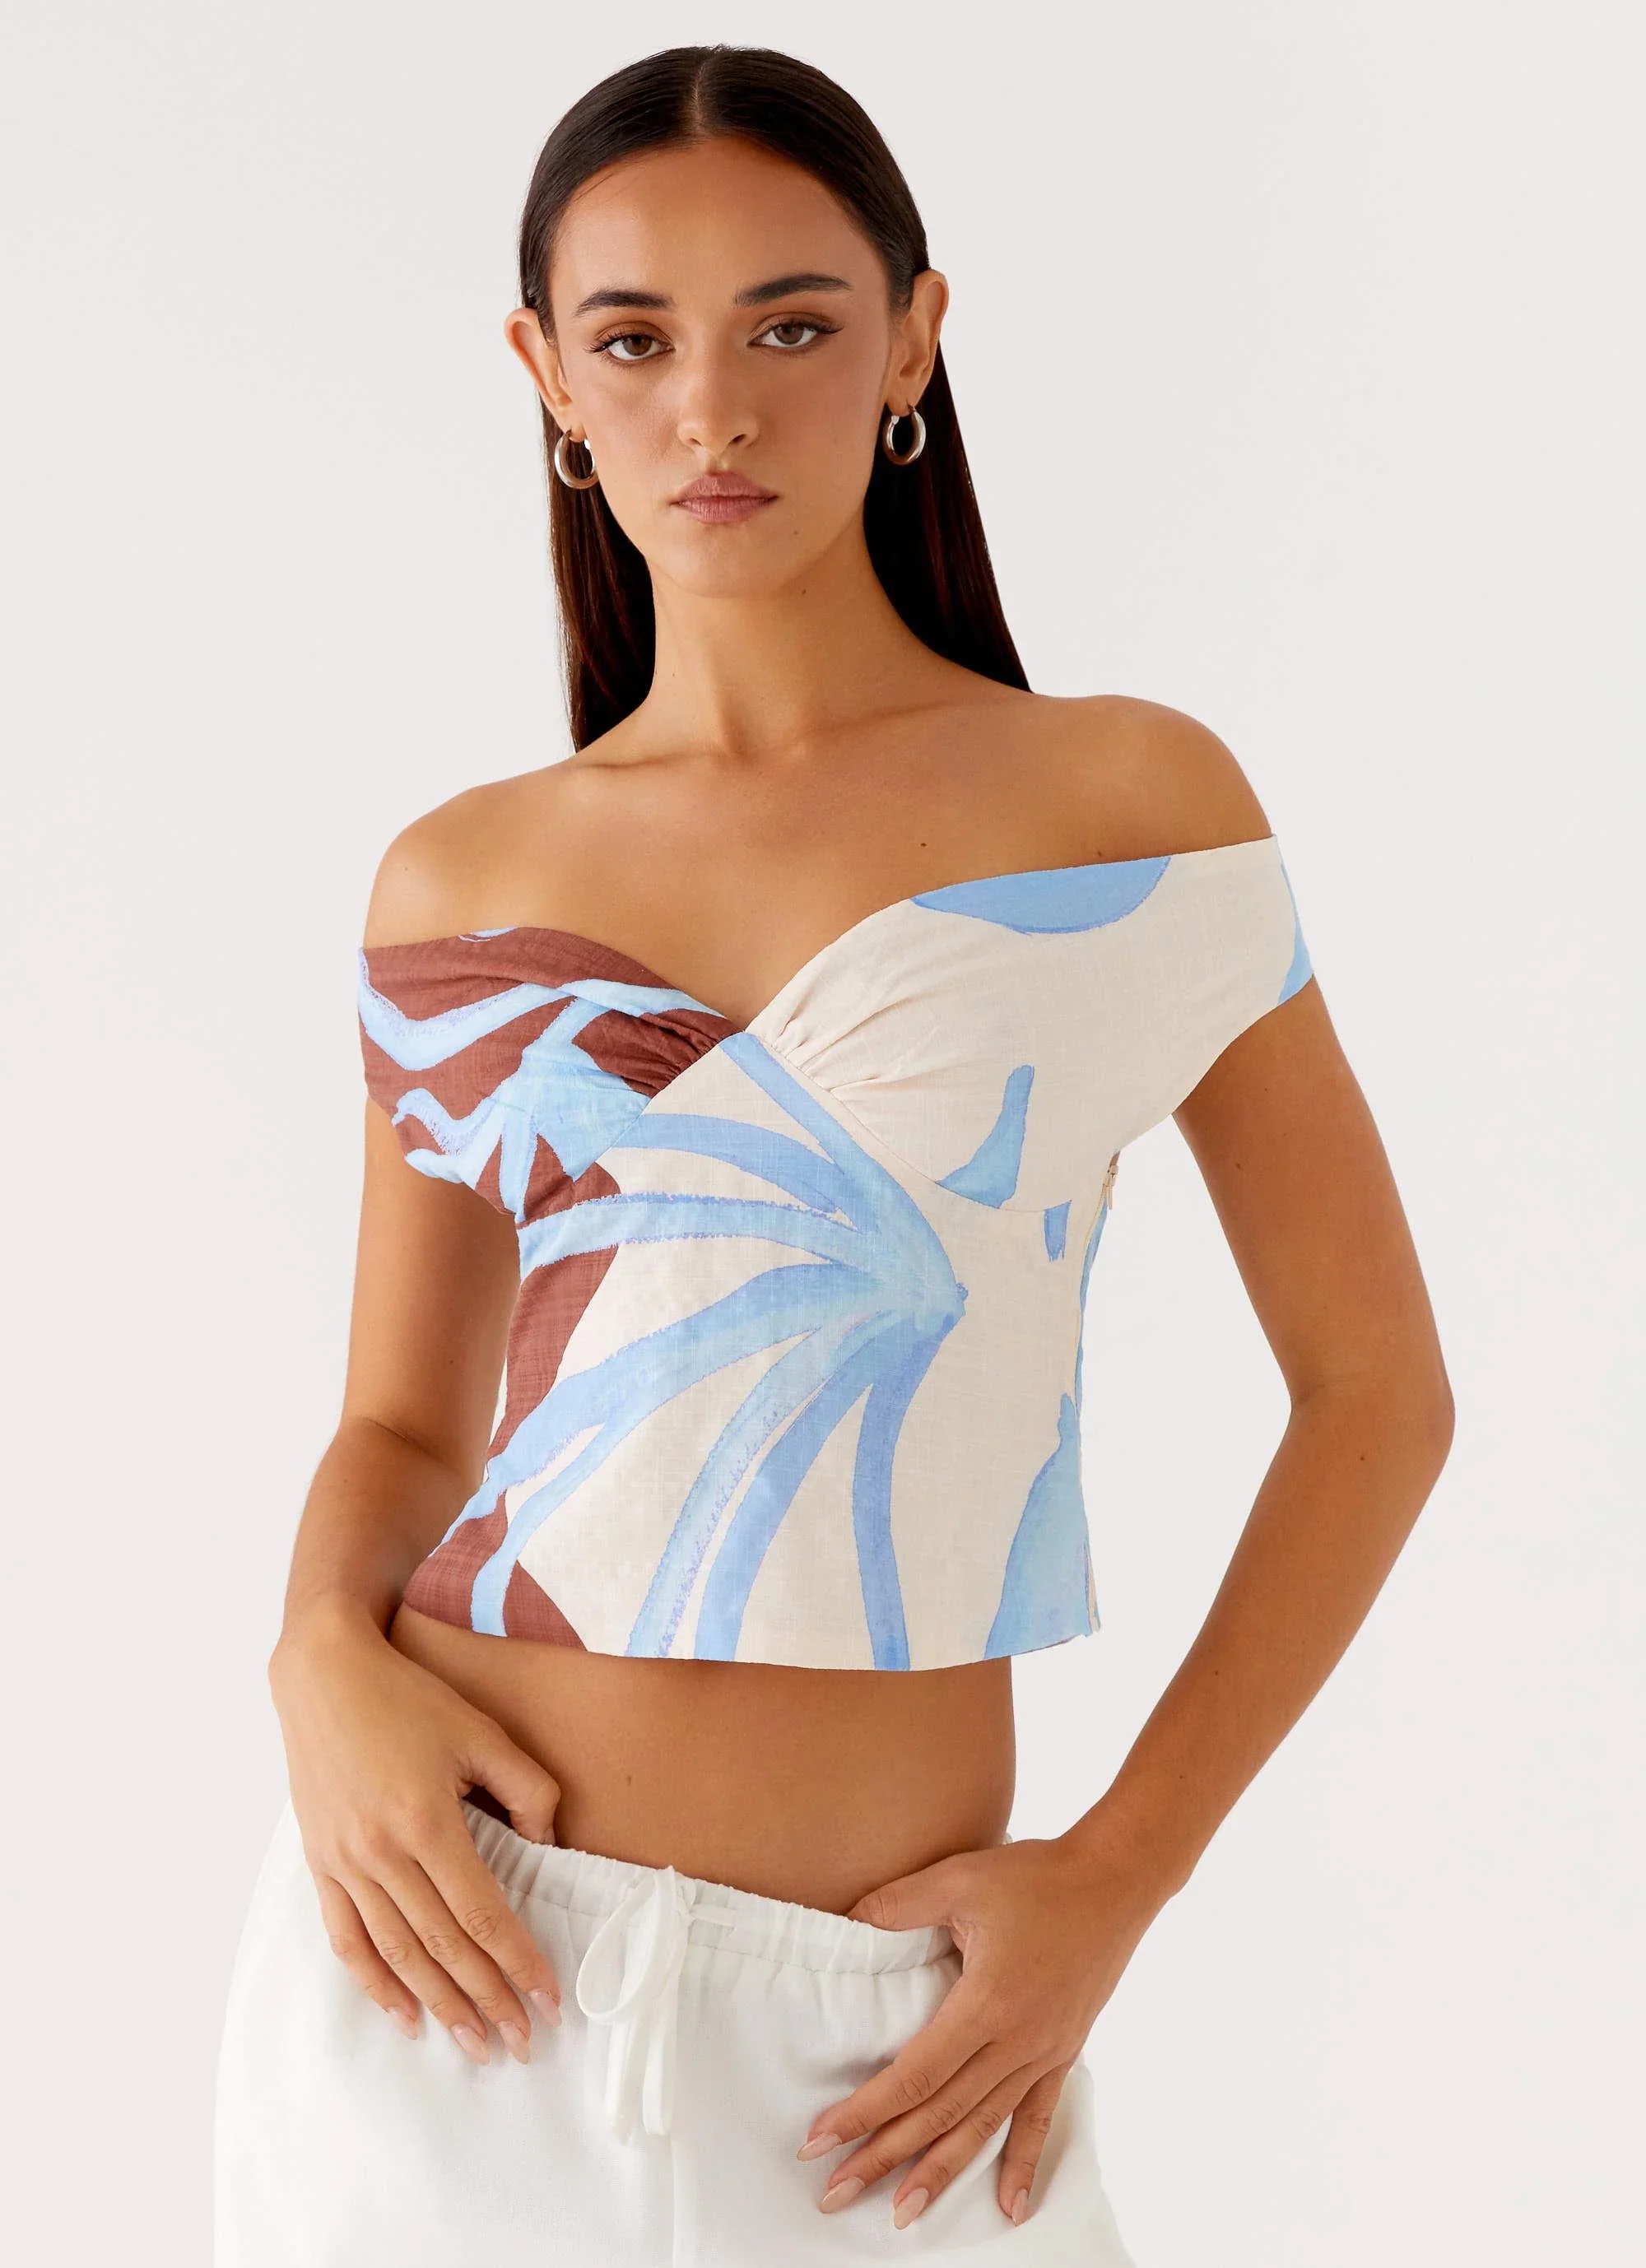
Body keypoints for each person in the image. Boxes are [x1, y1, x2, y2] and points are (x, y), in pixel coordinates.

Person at [213, 43, 1453, 2267]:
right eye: (634, 340)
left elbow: (1378, 1392)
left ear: (912, 341)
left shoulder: (1128, 809)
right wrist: (314, 1655)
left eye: (790, 325)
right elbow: (402, 1424)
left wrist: (1122, 1876)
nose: (714, 408)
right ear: (546, 377)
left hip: (894, 2048)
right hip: (443, 1974)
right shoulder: (460, 876)